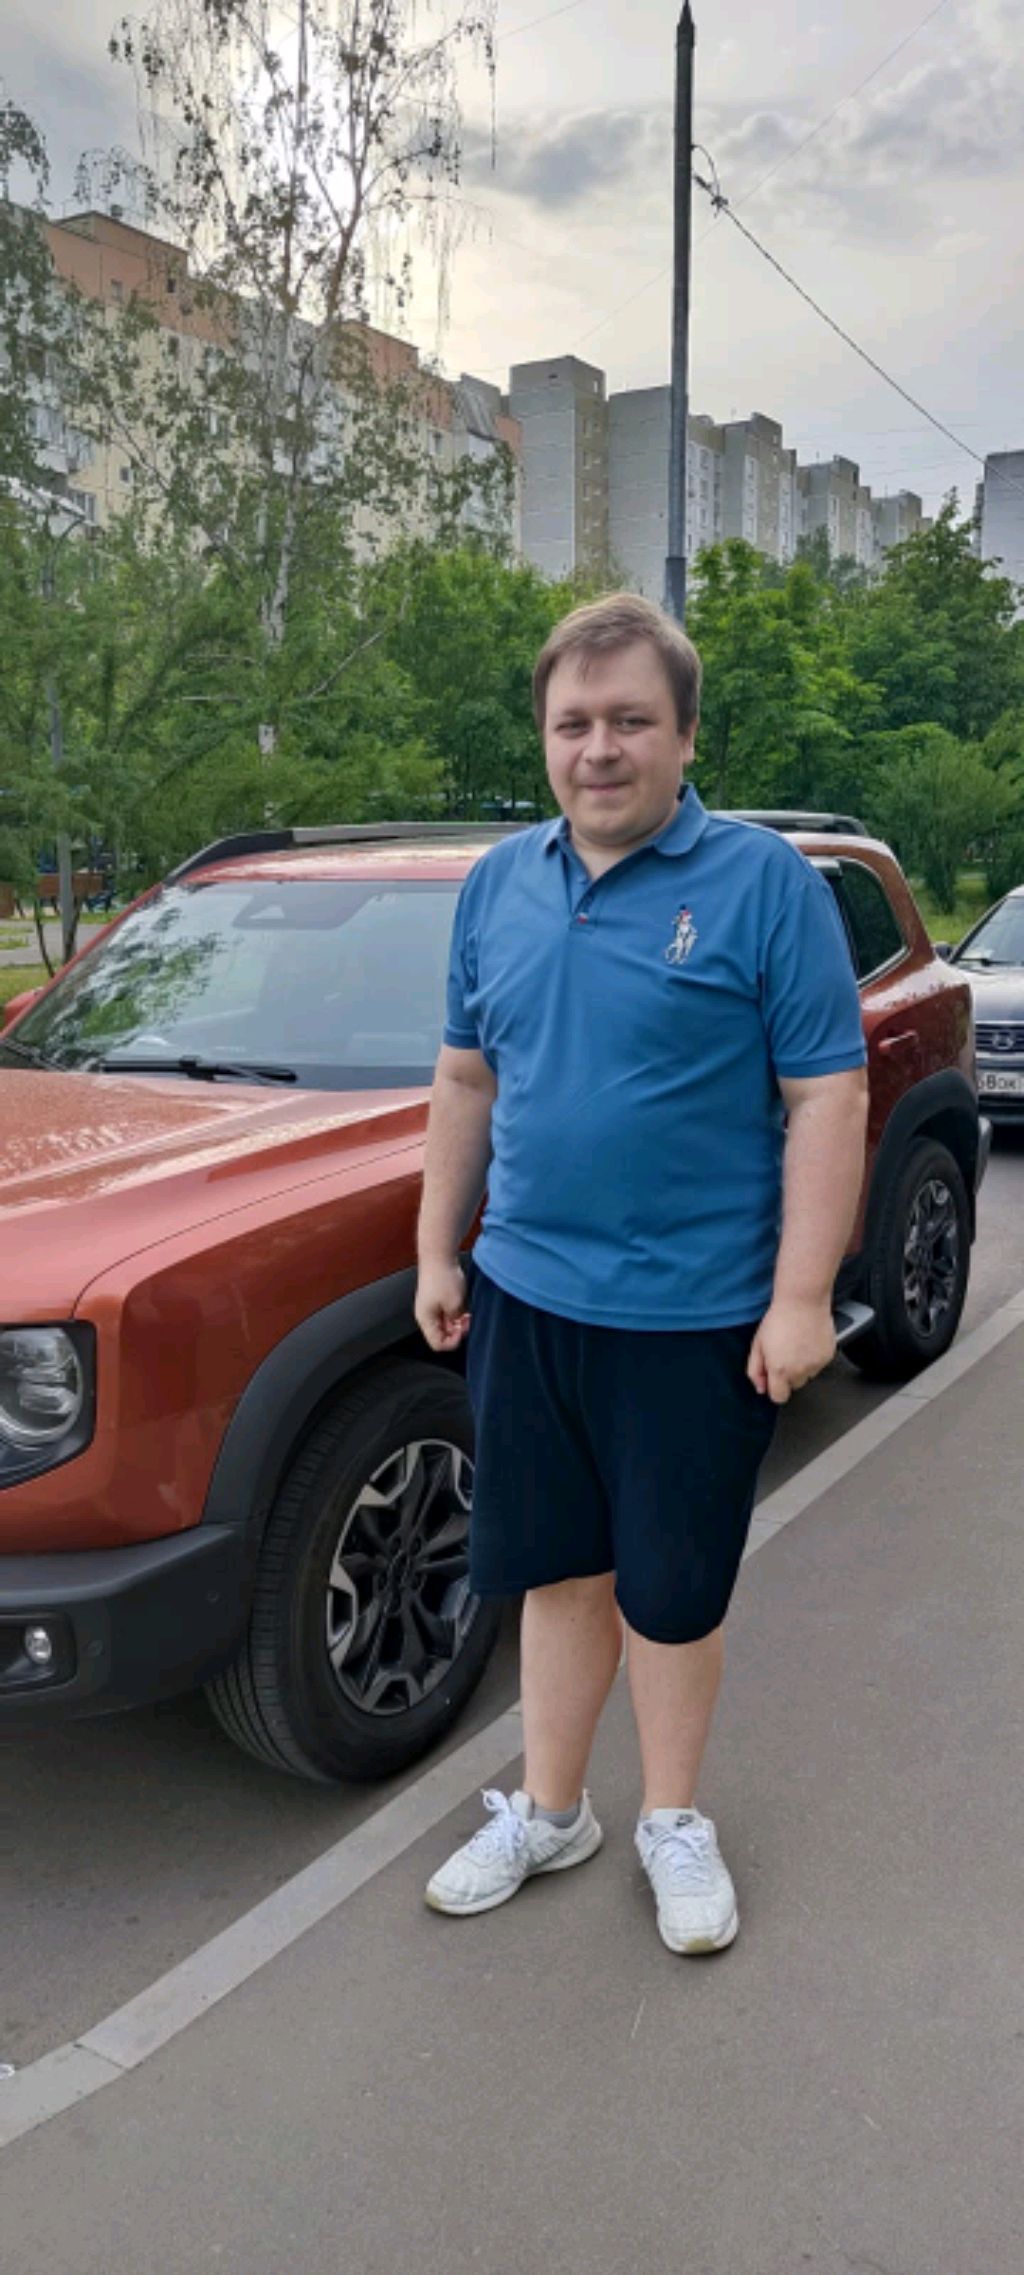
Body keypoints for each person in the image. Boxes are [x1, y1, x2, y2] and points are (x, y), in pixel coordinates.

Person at [415, 592, 868, 1955]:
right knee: (558, 1573)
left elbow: (828, 1098)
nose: (598, 749)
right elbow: (465, 1078)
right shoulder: (499, 884)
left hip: (695, 1317)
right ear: (543, 737)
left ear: (684, 736)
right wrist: (438, 1246)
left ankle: (672, 1817)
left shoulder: (766, 887)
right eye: (573, 723)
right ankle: (554, 1812)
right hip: (526, 1297)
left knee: (668, 1593)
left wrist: (802, 1296)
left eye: (629, 721)